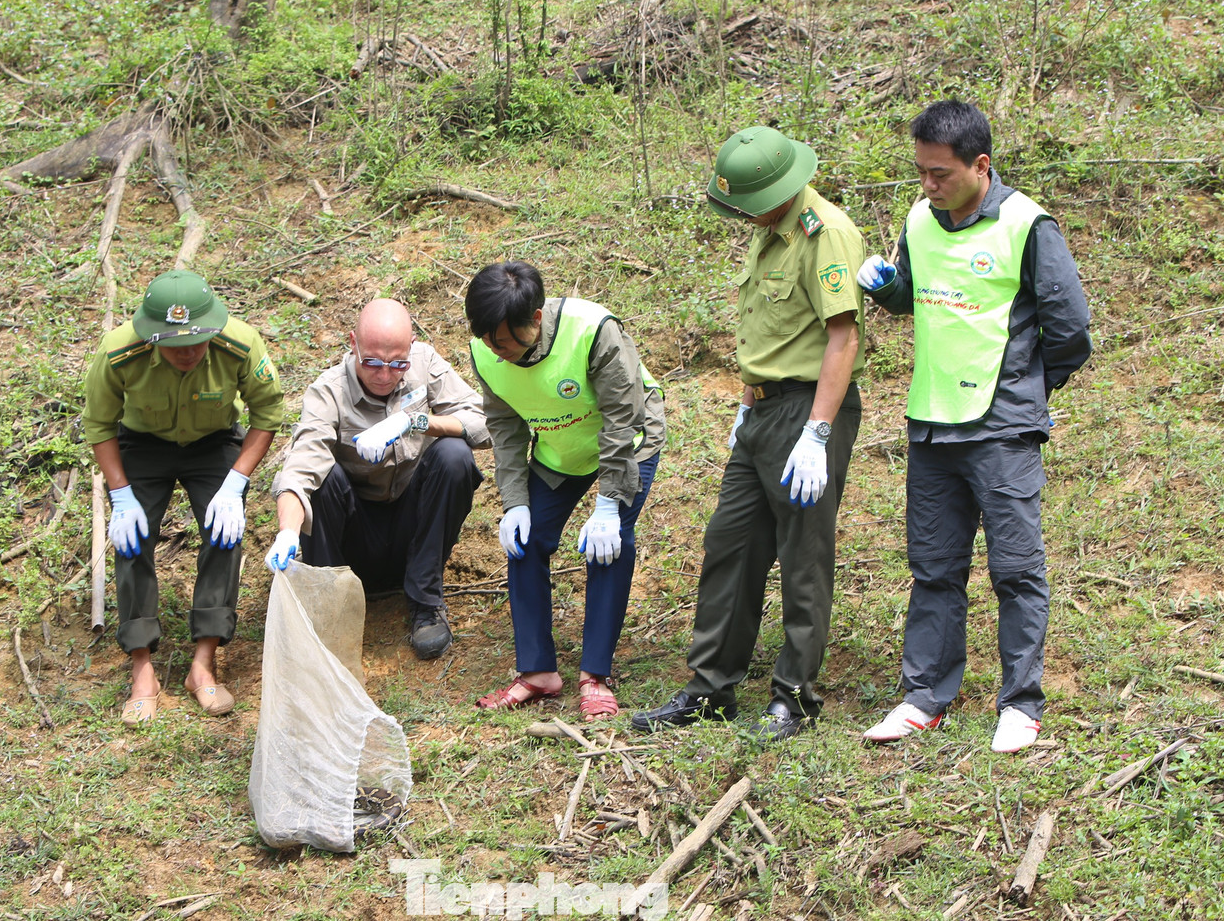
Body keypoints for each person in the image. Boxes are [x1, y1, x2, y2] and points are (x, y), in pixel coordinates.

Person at [856, 100, 1092, 753]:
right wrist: (886, 288)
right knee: (934, 568)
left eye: (941, 174)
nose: (928, 185)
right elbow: (913, 294)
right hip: (932, 424)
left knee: (1016, 569)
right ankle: (924, 697)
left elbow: (1070, 329)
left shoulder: (1027, 225)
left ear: (981, 165)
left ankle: (1020, 704)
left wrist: (1027, 390)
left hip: (1001, 429)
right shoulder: (918, 219)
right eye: (921, 172)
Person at [631, 126, 864, 744]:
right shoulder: (769, 230)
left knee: (803, 555)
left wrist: (818, 432)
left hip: (806, 410)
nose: (742, 216)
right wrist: (744, 405)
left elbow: (842, 338)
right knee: (730, 544)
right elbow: (766, 331)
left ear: (778, 190)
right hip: (760, 412)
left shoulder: (825, 233)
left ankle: (795, 697)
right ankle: (710, 689)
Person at [83, 269, 284, 727]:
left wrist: (234, 484)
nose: (188, 353)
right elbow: (98, 424)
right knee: (132, 539)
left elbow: (268, 412)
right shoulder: (118, 353)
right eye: (175, 346)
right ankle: (142, 669)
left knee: (224, 532)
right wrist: (121, 495)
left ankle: (203, 663)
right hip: (142, 443)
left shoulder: (240, 345)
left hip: (213, 442)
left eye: (197, 342)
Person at [465, 261, 665, 721]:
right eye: (487, 341)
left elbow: (621, 420)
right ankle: (538, 672)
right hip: (562, 448)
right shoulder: (485, 350)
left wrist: (608, 505)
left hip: (628, 442)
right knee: (527, 540)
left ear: (535, 320)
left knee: (608, 544)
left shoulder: (593, 331)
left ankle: (595, 675)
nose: (495, 352)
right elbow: (505, 426)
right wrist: (515, 502)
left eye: (504, 342)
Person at [265, 298, 489, 660]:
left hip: (413, 531)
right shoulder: (329, 391)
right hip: (355, 537)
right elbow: (300, 466)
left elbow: (483, 421)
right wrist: (288, 531)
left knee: (454, 456)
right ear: (353, 343)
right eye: (371, 362)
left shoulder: (425, 363)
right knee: (324, 476)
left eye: (397, 363)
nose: (385, 375)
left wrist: (415, 422)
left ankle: (425, 602)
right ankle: (331, 606)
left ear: (411, 346)